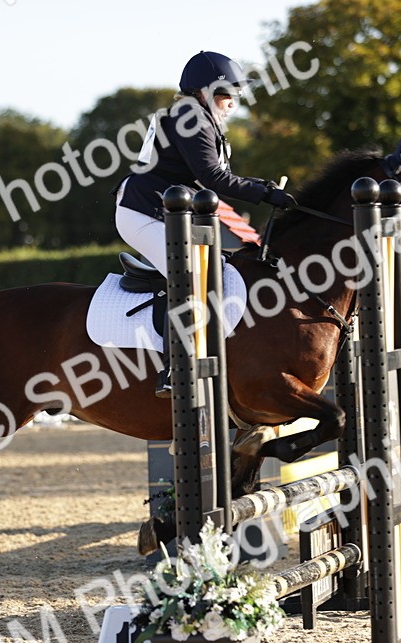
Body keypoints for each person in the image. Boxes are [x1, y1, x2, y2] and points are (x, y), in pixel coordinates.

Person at [114, 50, 295, 396]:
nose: (233, 103)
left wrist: (264, 187)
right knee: (192, 279)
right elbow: (212, 178)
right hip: (143, 213)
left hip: (166, 212)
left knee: (217, 272)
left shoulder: (198, 117)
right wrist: (263, 194)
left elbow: (220, 176)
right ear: (207, 91)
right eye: (228, 94)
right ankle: (175, 368)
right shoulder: (192, 117)